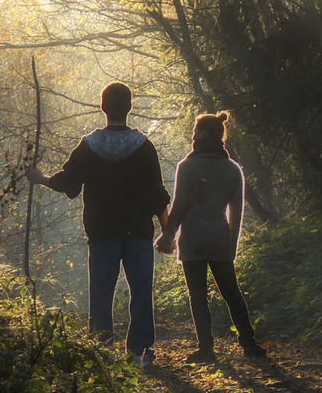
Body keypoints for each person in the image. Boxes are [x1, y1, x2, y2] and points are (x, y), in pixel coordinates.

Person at [27, 82, 170, 367]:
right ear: (130, 107)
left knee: (101, 294)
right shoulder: (144, 147)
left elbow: (68, 183)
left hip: (101, 232)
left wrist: (40, 178)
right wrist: (168, 232)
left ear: (102, 107)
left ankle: (102, 353)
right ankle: (140, 352)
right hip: (138, 231)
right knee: (141, 291)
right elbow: (158, 194)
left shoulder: (88, 146)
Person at [155, 110, 267, 362]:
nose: (193, 135)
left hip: (193, 239)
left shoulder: (187, 166)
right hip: (219, 239)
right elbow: (236, 213)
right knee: (232, 294)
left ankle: (206, 349)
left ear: (204, 133)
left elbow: (180, 205)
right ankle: (249, 344)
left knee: (198, 296)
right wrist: (232, 246)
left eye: (195, 131)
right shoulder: (233, 169)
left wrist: (167, 236)